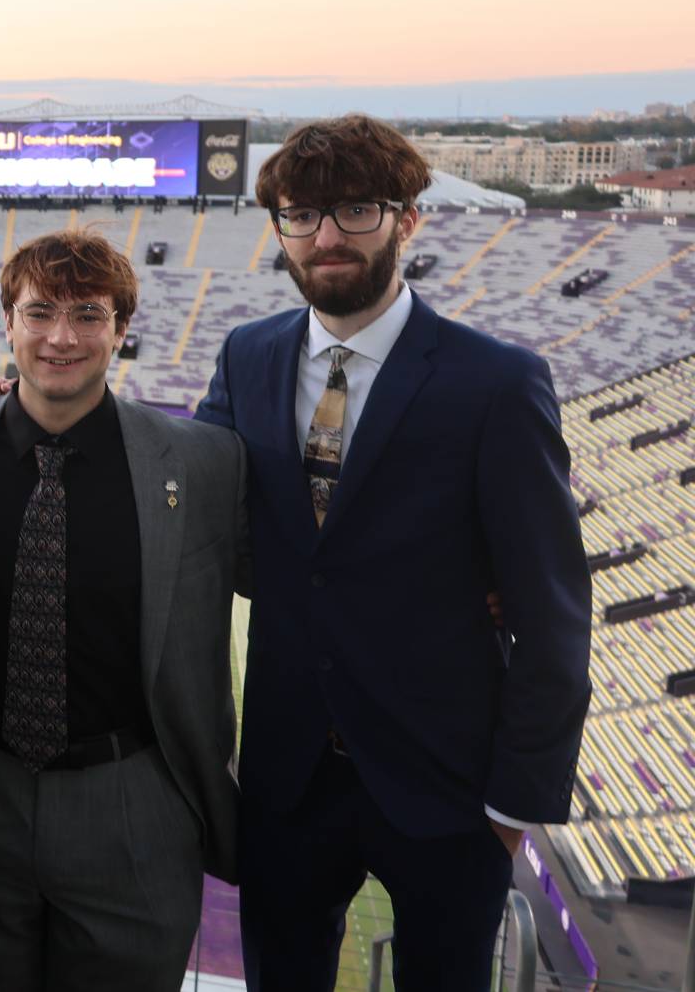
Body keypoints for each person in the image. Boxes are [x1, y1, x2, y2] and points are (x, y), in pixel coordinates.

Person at [193, 114, 590, 991]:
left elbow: (553, 610)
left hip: (447, 788)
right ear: (280, 229)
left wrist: (513, 803)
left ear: (408, 218)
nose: (327, 236)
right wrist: (8, 403)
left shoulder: (496, 381)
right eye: (302, 215)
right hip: (289, 777)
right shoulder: (246, 354)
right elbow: (183, 488)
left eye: (355, 210)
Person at [0, 229, 246, 991]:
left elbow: (302, 581)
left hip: (133, 796)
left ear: (121, 329)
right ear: (8, 324)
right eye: (40, 313)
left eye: (89, 314)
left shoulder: (202, 462)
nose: (62, 336)